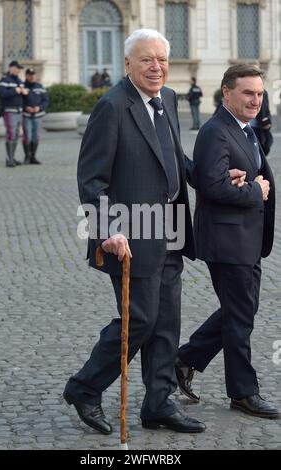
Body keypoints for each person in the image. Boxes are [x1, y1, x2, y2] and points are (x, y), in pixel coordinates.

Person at [63, 29, 206, 435]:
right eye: (147, 59)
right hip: (130, 235)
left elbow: (175, 157)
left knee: (166, 323)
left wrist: (212, 176)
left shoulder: (170, 99)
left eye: (162, 59)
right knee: (139, 320)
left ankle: (158, 403)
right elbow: (91, 180)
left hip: (172, 231)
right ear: (128, 64)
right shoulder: (112, 106)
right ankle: (85, 387)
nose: (157, 67)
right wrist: (107, 228)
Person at [175, 64, 280, 419]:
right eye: (248, 93)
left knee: (243, 310)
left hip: (246, 237)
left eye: (260, 94)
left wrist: (252, 184)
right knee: (240, 317)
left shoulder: (245, 129)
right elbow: (211, 186)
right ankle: (243, 392)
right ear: (227, 92)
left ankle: (186, 358)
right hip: (226, 238)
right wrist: (256, 190)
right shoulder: (215, 131)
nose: (255, 100)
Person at [0, 60, 28, 167]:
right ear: (11, 68)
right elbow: (1, 93)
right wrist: (15, 90)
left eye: (19, 68)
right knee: (11, 134)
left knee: (16, 135)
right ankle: (9, 159)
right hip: (10, 111)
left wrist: (25, 93)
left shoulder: (19, 80)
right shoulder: (5, 80)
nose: (19, 70)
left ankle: (12, 157)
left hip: (19, 111)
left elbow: (22, 94)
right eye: (17, 68)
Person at [22, 68, 49, 164]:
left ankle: (33, 157)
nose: (32, 76)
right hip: (26, 115)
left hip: (38, 115)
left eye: (33, 74)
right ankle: (27, 157)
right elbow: (19, 101)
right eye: (30, 74)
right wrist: (26, 107)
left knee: (36, 137)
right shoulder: (22, 86)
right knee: (27, 137)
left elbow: (46, 100)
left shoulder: (40, 87)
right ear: (26, 76)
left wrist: (39, 107)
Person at [251, 89, 273, 156]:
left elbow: (267, 111)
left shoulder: (264, 93)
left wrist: (268, 120)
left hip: (258, 128)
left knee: (261, 152)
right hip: (244, 127)